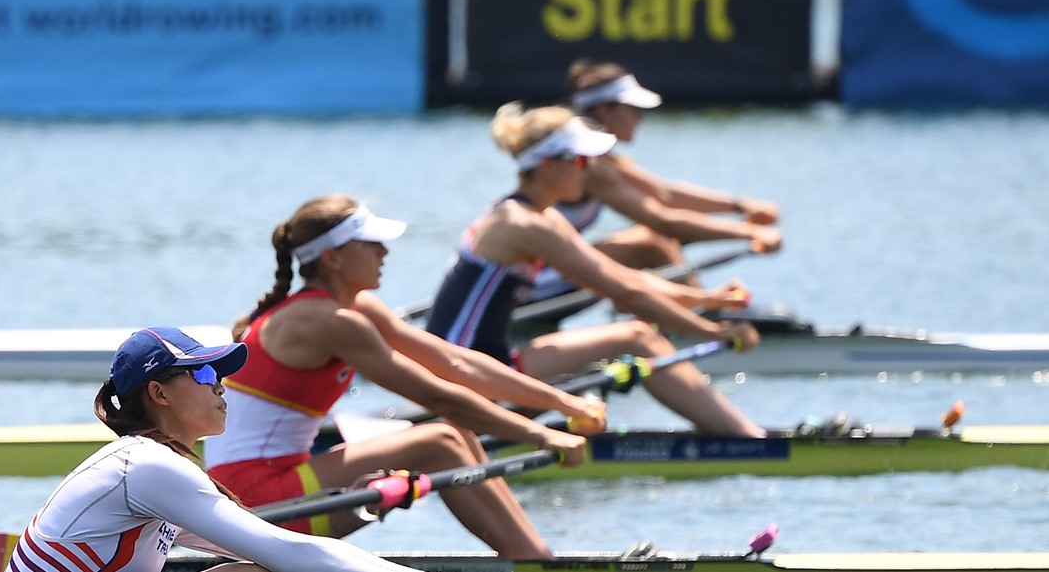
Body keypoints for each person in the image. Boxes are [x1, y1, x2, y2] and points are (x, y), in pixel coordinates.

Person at [205, 195, 598, 560]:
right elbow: (440, 398)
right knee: (442, 439)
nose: (384, 252)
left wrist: (563, 403)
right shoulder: (325, 321)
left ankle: (533, 556)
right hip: (254, 503)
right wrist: (543, 434)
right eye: (371, 244)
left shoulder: (353, 308)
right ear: (333, 259)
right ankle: (535, 562)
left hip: (278, 482)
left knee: (455, 437)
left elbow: (456, 362)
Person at [425, 103, 765, 439]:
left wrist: (706, 298)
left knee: (631, 336)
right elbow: (624, 293)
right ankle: (750, 440)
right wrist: (711, 332)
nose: (588, 170)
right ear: (548, 166)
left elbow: (624, 278)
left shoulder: (538, 215)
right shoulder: (522, 224)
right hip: (464, 376)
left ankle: (732, 431)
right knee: (637, 337)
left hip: (487, 365)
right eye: (579, 160)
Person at [4, 326, 417, 572]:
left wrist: (349, 510)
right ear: (158, 392)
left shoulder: (151, 468)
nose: (219, 384)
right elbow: (289, 550)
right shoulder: (147, 467)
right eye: (202, 371)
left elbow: (267, 544)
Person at [531, 59, 782, 300]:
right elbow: (665, 221)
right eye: (633, 109)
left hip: (554, 269)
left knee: (658, 236)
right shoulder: (588, 164)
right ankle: (705, 319)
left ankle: (674, 315)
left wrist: (742, 206)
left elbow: (664, 194)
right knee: (651, 241)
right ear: (605, 111)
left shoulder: (602, 158)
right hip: (533, 282)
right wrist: (750, 232)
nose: (639, 118)